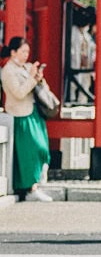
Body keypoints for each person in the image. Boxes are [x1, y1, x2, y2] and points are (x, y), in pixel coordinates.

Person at [1, 37, 52, 202]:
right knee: (29, 153)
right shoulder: (8, 70)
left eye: (27, 52)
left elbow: (41, 89)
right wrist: (31, 78)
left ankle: (36, 182)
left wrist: (39, 78)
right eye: (22, 52)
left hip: (32, 112)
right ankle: (31, 188)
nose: (25, 55)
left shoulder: (26, 67)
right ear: (13, 52)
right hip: (20, 115)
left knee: (42, 148)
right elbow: (19, 93)